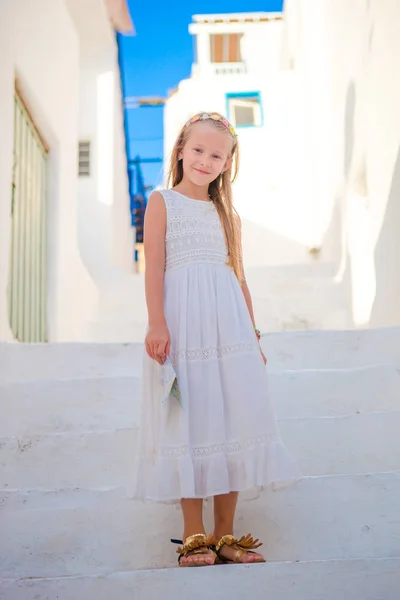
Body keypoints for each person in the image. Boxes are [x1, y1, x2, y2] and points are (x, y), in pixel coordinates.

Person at [133, 112, 302, 567]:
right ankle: (194, 535)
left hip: (230, 330)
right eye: (198, 150)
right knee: (189, 417)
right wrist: (157, 323)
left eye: (217, 155)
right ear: (181, 151)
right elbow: (155, 268)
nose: (206, 160)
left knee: (232, 420)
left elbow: (239, 278)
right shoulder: (161, 201)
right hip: (184, 326)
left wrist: (253, 335)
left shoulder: (227, 215)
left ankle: (226, 535)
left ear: (228, 163)